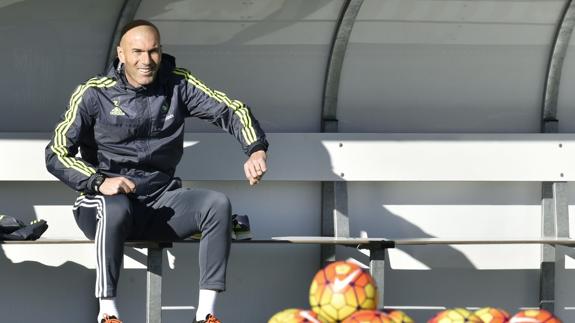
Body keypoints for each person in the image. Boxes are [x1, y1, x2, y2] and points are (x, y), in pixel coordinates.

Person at [45, 19, 268, 323]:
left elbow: (231, 110)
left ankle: (205, 314)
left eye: (153, 51)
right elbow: (56, 152)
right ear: (121, 54)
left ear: (161, 52)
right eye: (137, 51)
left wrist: (254, 148)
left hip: (160, 203)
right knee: (115, 209)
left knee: (216, 205)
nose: (146, 61)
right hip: (103, 207)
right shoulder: (94, 93)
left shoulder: (178, 83)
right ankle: (107, 312)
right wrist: (100, 182)